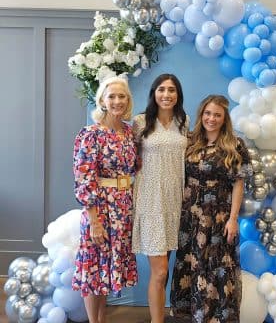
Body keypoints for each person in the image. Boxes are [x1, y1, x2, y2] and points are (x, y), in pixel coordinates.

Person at [170, 95, 252, 323]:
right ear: (201, 114)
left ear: (225, 118)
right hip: (189, 215)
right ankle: (192, 316)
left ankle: (214, 317)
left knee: (216, 267)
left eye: (217, 115)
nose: (211, 118)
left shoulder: (235, 145)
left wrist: (233, 219)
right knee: (191, 263)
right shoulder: (190, 140)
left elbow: (238, 183)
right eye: (208, 113)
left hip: (218, 216)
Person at [72, 76, 140, 323]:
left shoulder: (130, 133)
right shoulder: (91, 134)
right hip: (100, 208)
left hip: (123, 208)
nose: (117, 101)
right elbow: (84, 177)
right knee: (94, 269)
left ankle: (102, 319)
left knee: (106, 269)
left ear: (128, 100)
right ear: (102, 100)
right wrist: (94, 220)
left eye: (122, 96)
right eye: (112, 96)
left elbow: (137, 167)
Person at [132, 73, 189, 323]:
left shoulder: (183, 121)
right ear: (154, 93)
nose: (167, 94)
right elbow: (129, 160)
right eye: (162, 89)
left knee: (165, 271)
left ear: (178, 95)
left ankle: (160, 316)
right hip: (150, 201)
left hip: (175, 202)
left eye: (172, 90)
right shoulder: (140, 122)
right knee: (160, 271)